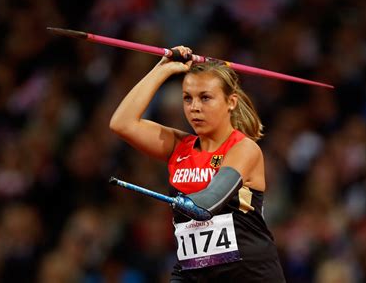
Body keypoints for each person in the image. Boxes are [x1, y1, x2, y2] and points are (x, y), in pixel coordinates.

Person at [110, 46, 285, 282]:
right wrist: (163, 68)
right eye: (187, 98)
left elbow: (210, 200)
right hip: (194, 271)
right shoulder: (178, 146)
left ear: (231, 102)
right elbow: (122, 123)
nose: (194, 108)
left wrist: (179, 202)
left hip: (248, 274)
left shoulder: (244, 148)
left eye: (205, 97)